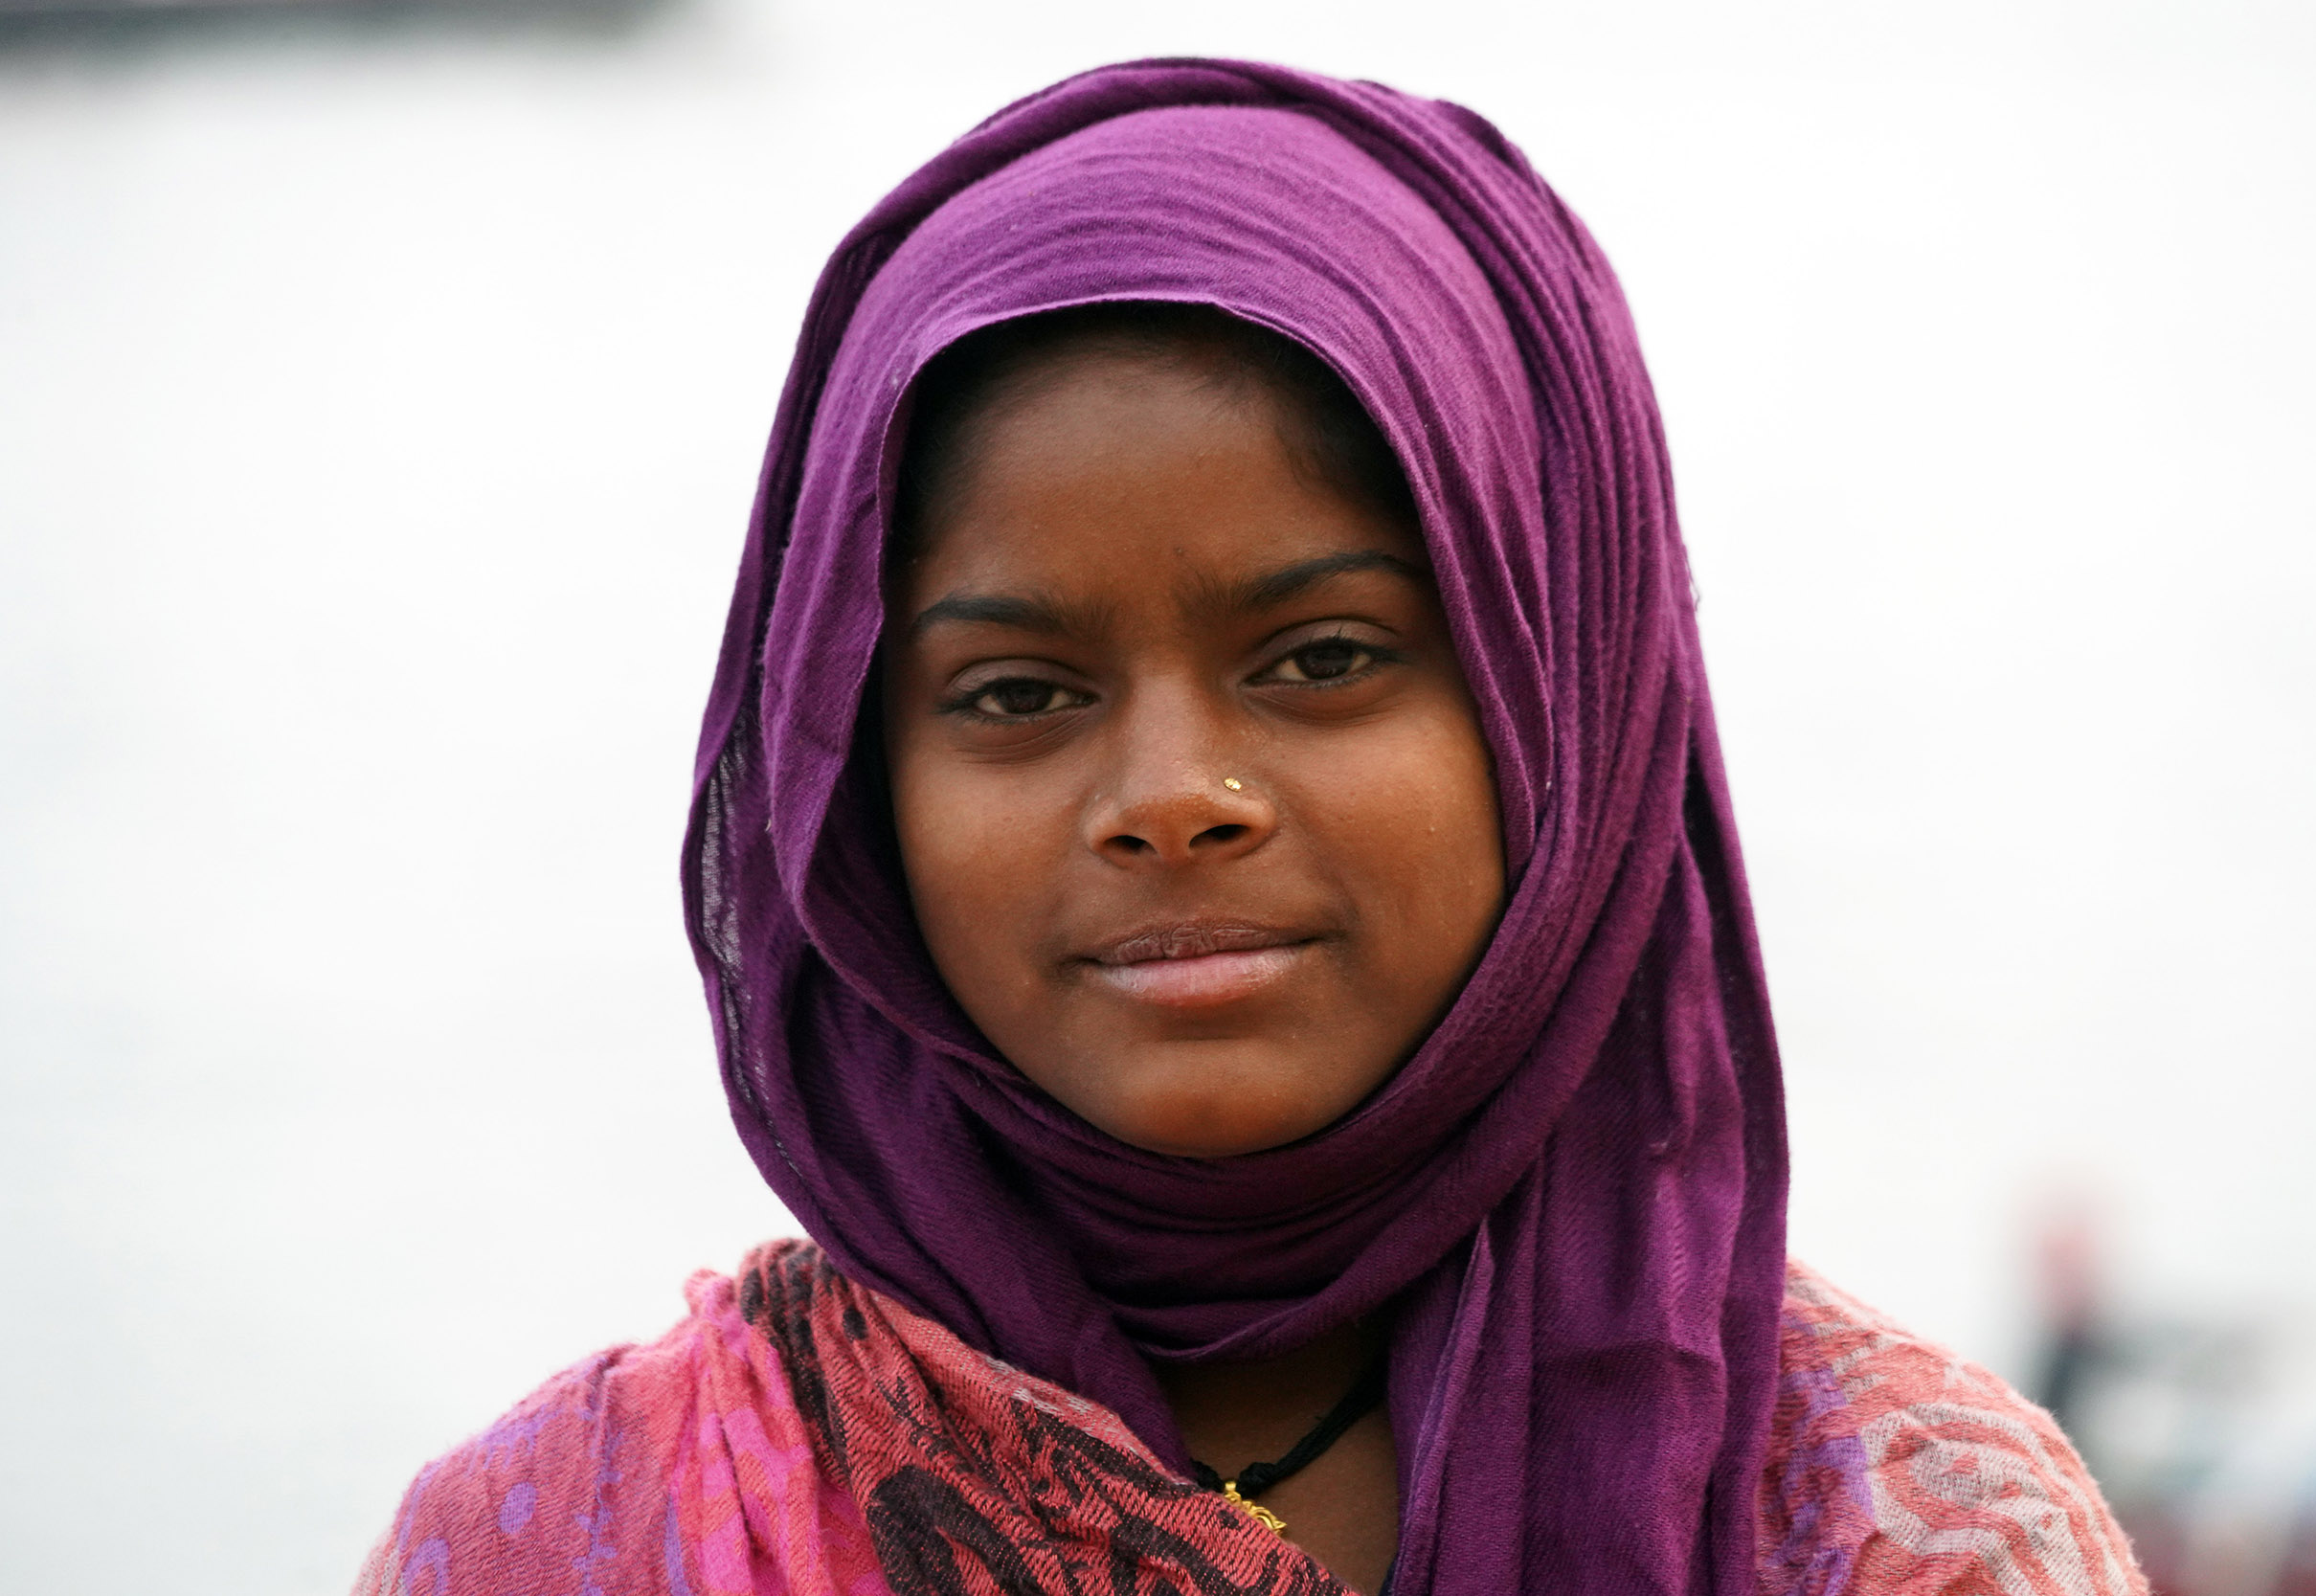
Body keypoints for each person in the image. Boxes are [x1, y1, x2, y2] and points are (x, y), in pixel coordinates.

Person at [353, 59, 2148, 1596]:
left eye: (1323, 657)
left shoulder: (1898, 1535)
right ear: (848, 795)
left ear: (1565, 715)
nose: (1169, 803)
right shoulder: (594, 1538)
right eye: (1015, 694)